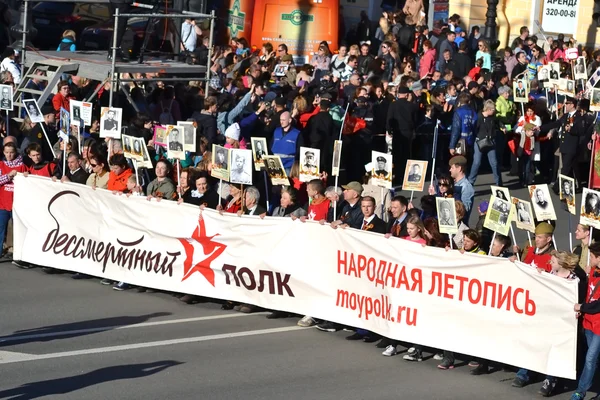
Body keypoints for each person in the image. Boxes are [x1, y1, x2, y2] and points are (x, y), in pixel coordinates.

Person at [572, 242, 600, 400]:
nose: (589, 259)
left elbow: (598, 305)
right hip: (589, 322)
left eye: (591, 256)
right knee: (594, 358)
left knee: (590, 358)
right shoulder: (593, 271)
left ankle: (580, 391)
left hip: (599, 325)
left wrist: (581, 306)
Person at [449, 155, 474, 220]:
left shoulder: (466, 187)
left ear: (459, 169)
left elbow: (464, 211)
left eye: (452, 167)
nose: (450, 170)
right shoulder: (453, 183)